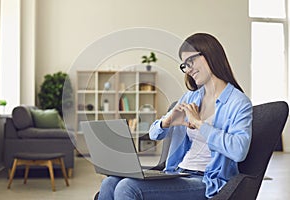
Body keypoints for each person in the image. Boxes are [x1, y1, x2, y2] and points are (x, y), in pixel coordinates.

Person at [97, 33, 252, 200]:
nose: (188, 69)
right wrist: (166, 122)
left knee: (127, 188)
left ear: (209, 55)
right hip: (178, 173)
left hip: (206, 181)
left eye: (191, 62)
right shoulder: (190, 97)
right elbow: (153, 134)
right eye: (185, 65)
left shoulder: (238, 102)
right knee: (110, 182)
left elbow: (238, 151)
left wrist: (199, 123)